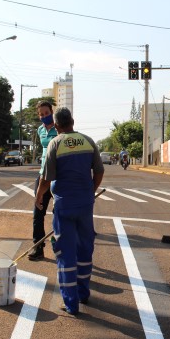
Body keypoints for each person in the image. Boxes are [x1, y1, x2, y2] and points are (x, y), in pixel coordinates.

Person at [35, 107, 104, 315]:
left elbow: (46, 179)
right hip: (85, 205)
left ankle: (71, 303)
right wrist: (90, 191)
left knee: (65, 253)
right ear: (73, 121)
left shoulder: (55, 144)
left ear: (56, 126)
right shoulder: (88, 141)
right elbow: (99, 171)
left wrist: (39, 196)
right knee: (84, 249)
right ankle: (83, 293)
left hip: (64, 206)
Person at [28, 101, 58, 261]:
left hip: (58, 177)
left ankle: (63, 247)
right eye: (41, 114)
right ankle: (38, 247)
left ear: (52, 112)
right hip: (42, 175)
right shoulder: (40, 130)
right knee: (38, 213)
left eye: (46, 113)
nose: (44, 117)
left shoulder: (59, 127)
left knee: (59, 213)